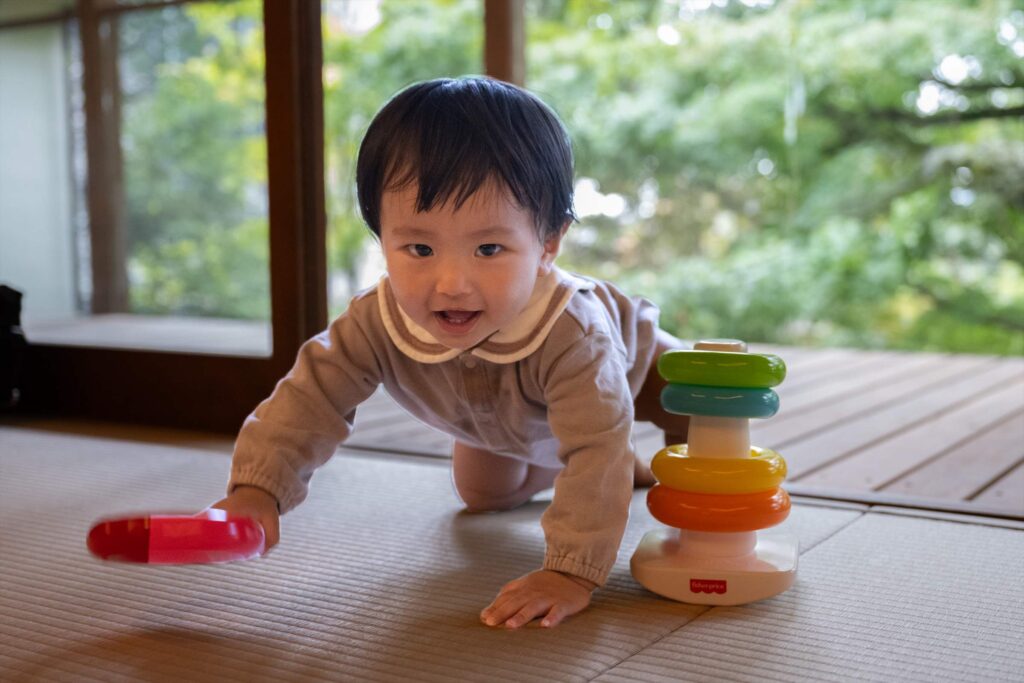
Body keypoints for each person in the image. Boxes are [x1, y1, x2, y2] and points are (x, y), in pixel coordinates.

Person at [212, 76, 689, 629]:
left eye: (489, 248)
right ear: (381, 237)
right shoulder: (376, 319)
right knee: (482, 494)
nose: (451, 283)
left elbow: (598, 443)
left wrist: (571, 570)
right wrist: (257, 490)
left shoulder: (574, 332)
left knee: (683, 407)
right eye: (419, 248)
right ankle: (601, 469)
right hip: (505, 421)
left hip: (630, 371)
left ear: (548, 245)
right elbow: (309, 399)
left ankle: (668, 453)